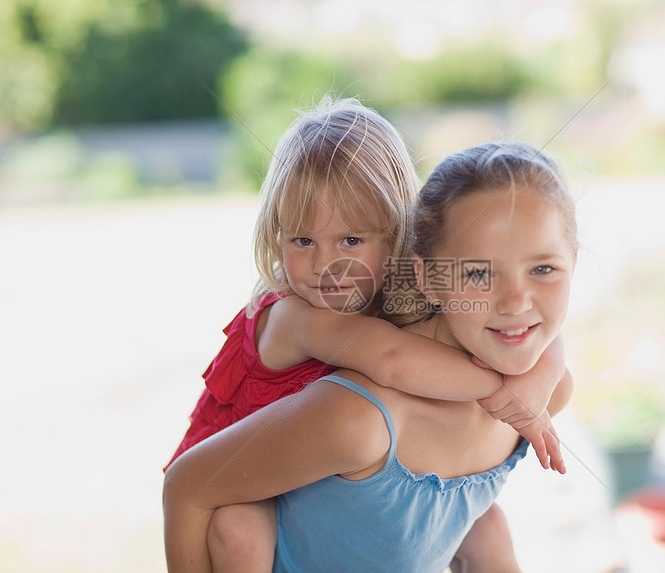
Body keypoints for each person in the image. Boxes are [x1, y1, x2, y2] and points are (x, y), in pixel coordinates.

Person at [164, 99, 571, 571]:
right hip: (241, 468)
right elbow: (394, 360)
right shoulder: (299, 315)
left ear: (397, 235)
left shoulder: (385, 296)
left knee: (488, 524)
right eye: (302, 241)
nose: (325, 264)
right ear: (276, 235)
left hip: (309, 477)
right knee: (240, 530)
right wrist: (502, 390)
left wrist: (541, 373)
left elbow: (528, 327)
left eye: (352, 241)